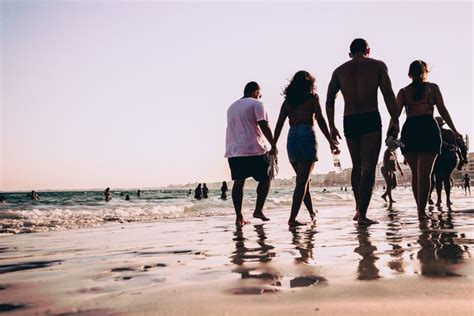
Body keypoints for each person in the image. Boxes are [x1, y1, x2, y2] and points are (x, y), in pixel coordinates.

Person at [326, 38, 399, 225]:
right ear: (368, 50)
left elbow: (329, 100)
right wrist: (395, 119)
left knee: (357, 166)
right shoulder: (377, 66)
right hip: (370, 117)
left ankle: (358, 210)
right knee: (368, 168)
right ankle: (363, 215)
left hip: (349, 119)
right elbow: (388, 94)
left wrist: (331, 126)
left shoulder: (339, 71)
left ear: (350, 52)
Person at [393, 60, 462, 220]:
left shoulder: (403, 92)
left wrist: (392, 133)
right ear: (426, 72)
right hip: (428, 129)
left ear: (409, 75)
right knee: (425, 174)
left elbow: (395, 116)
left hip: (410, 131)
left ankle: (420, 210)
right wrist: (454, 130)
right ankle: (421, 212)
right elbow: (443, 110)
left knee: (417, 175)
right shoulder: (433, 88)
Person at [273, 71, 339, 226]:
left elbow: (279, 123)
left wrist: (274, 144)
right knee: (302, 182)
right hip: (306, 136)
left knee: (304, 181)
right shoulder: (312, 98)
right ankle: (292, 219)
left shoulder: (287, 102)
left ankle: (311, 213)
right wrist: (330, 140)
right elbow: (321, 120)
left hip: (292, 139)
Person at [225, 81, 275, 226]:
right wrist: (273, 144)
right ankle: (258, 210)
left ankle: (239, 217)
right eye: (260, 94)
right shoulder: (257, 104)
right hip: (254, 149)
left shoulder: (231, 107)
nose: (260, 96)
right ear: (255, 92)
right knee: (266, 178)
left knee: (238, 183)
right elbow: (263, 124)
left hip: (234, 151)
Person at [429, 117, 465, 206]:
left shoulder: (433, 133)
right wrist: (461, 159)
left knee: (438, 179)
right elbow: (456, 147)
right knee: (447, 178)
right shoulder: (450, 132)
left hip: (439, 158)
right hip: (451, 158)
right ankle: (447, 200)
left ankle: (439, 200)